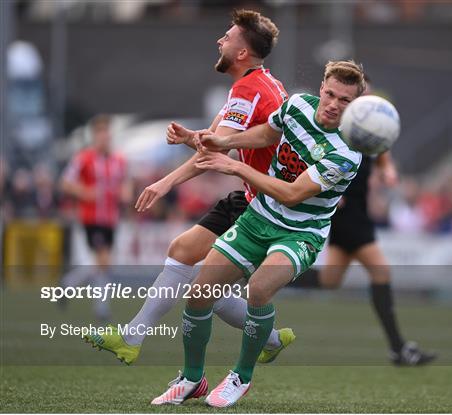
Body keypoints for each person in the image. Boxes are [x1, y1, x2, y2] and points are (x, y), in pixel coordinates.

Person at [149, 60, 365, 407]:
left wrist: (235, 166)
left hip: (300, 233)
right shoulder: (296, 106)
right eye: (330, 94)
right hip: (258, 216)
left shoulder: (346, 153)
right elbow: (267, 133)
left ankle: (241, 376)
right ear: (321, 88)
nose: (333, 104)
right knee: (200, 292)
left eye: (344, 101)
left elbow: (292, 193)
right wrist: (224, 141)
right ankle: (192, 379)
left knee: (259, 288)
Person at [83, 9, 292, 364]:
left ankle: (136, 341)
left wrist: (164, 182)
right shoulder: (258, 84)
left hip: (266, 206)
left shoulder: (248, 90)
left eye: (227, 37)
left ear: (242, 53)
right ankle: (271, 340)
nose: (219, 40)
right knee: (189, 261)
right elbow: (211, 142)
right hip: (252, 196)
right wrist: (190, 138)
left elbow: (213, 149)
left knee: (199, 279)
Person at [295, 78, 436, 366]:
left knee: (329, 280)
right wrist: (327, 188)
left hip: (358, 210)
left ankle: (259, 273)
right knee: (380, 271)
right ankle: (399, 349)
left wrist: (389, 173)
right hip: (346, 213)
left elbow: (384, 157)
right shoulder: (336, 130)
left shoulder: (369, 126)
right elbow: (311, 158)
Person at [60, 114, 131, 322]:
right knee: (103, 260)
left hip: (111, 218)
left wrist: (126, 193)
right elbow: (65, 182)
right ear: (94, 135)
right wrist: (83, 192)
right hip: (92, 217)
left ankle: (67, 284)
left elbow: (125, 182)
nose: (104, 137)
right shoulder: (84, 158)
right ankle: (102, 309)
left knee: (102, 263)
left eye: (106, 132)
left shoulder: (119, 160)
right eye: (100, 132)